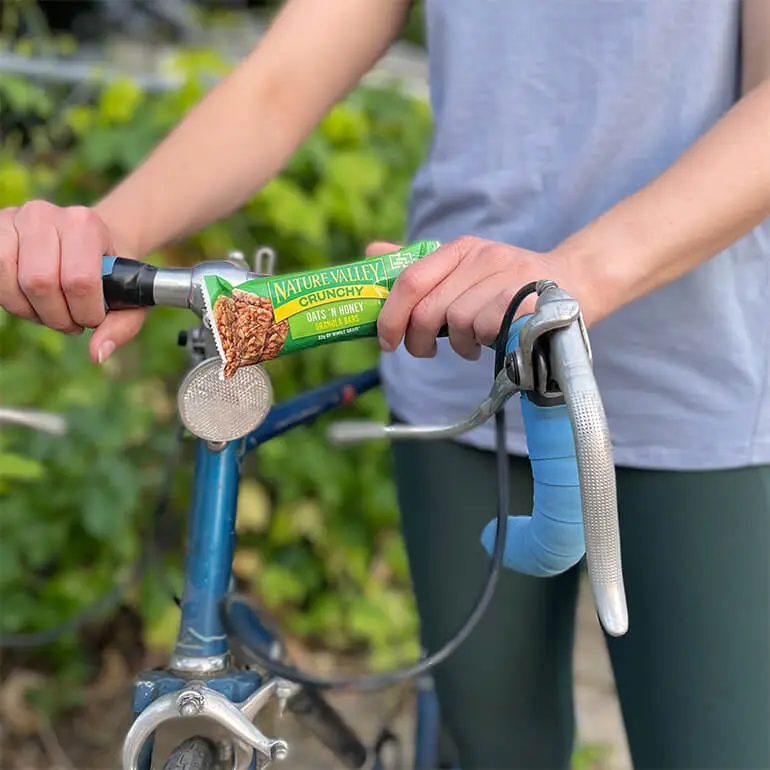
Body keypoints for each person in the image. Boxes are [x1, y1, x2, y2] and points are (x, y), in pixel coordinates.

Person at [1, 1, 770, 767]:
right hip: (460, 370)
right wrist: (110, 231)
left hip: (698, 383)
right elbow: (282, 81)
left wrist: (581, 272)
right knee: (492, 747)